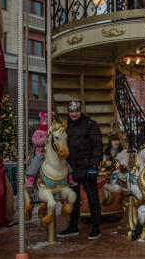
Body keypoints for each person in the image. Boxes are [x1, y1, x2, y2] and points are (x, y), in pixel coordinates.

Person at [58, 100, 103, 240]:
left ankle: (96, 228)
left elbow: (97, 145)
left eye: (76, 111)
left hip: (87, 167)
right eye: (71, 111)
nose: (74, 114)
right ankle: (73, 226)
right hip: (72, 168)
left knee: (92, 198)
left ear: (81, 111)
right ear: (68, 112)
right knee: (73, 199)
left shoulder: (90, 124)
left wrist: (94, 165)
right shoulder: (65, 126)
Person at [25, 112, 76, 190]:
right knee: (36, 162)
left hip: (54, 153)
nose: (48, 121)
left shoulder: (54, 131)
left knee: (65, 162)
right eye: (46, 119)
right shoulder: (38, 131)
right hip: (42, 153)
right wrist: (46, 139)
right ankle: (31, 177)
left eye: (51, 119)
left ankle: (69, 177)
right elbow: (35, 141)